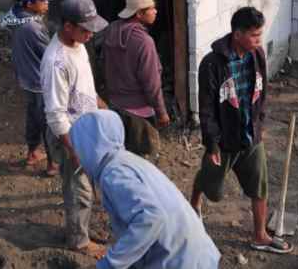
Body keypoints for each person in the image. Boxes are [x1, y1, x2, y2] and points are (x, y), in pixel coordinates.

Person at [190, 7, 293, 255]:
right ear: (237, 34)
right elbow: (206, 108)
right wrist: (212, 143)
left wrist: (260, 124)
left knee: (260, 187)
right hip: (224, 141)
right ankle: (193, 204)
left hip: (250, 137)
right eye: (254, 35)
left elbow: (262, 92)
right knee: (210, 185)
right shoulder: (212, 64)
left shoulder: (257, 54)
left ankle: (260, 235)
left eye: (260, 34)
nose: (259, 40)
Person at [70, 110, 221, 269]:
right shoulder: (126, 161)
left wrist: (110, 264)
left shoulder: (113, 174)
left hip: (181, 260)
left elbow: (151, 217)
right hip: (194, 253)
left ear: (87, 146)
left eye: (78, 147)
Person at [41, 0, 108, 258]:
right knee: (77, 188)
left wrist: (99, 103)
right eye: (85, 29)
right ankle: (79, 241)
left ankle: (81, 230)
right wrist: (73, 148)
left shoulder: (78, 45)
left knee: (86, 185)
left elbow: (83, 85)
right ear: (68, 26)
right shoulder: (55, 62)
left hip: (85, 127)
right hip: (70, 134)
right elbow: (56, 114)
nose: (91, 34)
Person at [0, 0, 59, 176]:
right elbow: (50, 56)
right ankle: (53, 164)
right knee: (48, 123)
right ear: (29, 4)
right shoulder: (33, 28)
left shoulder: (14, 17)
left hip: (25, 78)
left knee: (33, 117)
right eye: (43, 0)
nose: (47, 3)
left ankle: (33, 152)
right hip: (39, 81)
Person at [103, 0, 170, 156]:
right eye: (152, 8)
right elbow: (151, 82)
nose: (155, 11)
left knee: (122, 156)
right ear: (139, 13)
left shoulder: (111, 30)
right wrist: (161, 112)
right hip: (139, 111)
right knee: (143, 160)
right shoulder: (144, 42)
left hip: (115, 106)